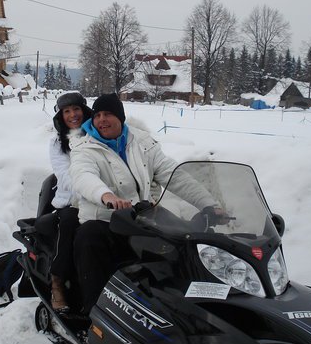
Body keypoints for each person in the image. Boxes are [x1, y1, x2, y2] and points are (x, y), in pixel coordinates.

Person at [69, 93, 223, 313]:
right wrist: (106, 196)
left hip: (140, 216)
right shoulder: (85, 148)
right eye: (98, 115)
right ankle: (93, 314)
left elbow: (173, 175)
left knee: (183, 239)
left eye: (108, 114)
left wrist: (208, 204)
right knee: (89, 240)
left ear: (120, 118)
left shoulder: (142, 143)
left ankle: (192, 307)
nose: (102, 120)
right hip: (104, 219)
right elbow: (83, 176)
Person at [48, 91, 92, 311]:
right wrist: (92, 190)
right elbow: (64, 176)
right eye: (67, 111)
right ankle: (57, 283)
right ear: (61, 116)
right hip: (71, 200)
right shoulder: (57, 144)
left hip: (101, 199)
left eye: (76, 109)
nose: (73, 115)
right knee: (69, 224)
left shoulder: (96, 134)